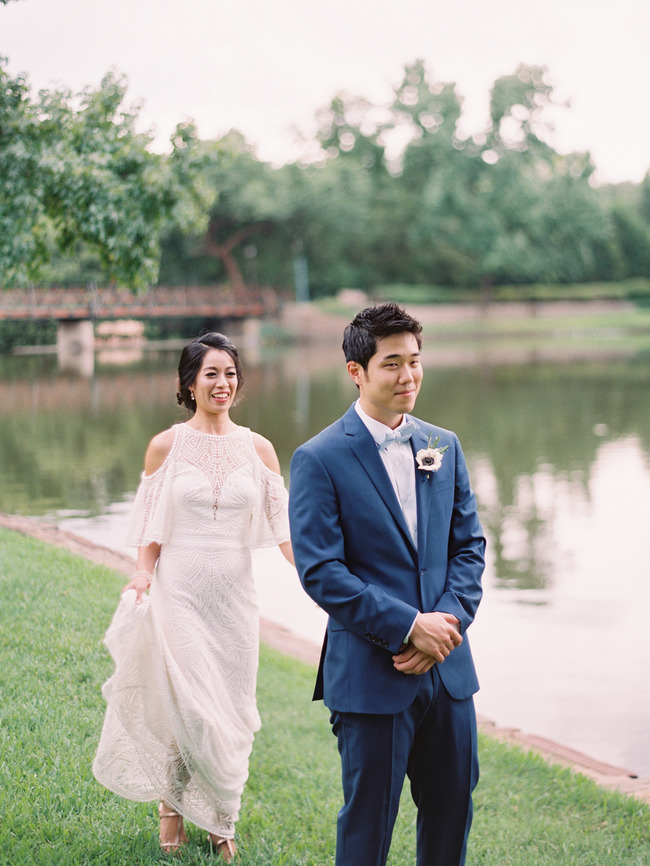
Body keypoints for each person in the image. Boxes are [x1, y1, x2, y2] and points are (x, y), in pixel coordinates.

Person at [288, 303, 485, 866]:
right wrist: (407, 628)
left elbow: (469, 549)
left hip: (449, 672)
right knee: (368, 826)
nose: (408, 377)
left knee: (451, 816)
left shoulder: (443, 445)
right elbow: (321, 572)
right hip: (372, 676)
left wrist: (441, 628)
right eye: (392, 364)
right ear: (357, 371)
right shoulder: (317, 458)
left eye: (415, 362)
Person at [93, 331, 293, 860]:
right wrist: (141, 575)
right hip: (178, 593)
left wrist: (324, 574)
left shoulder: (259, 448)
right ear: (189, 383)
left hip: (234, 601)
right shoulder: (166, 445)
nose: (222, 383)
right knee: (189, 707)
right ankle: (172, 810)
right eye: (211, 374)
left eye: (230, 373)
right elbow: (150, 528)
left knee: (228, 709)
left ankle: (221, 819)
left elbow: (284, 531)